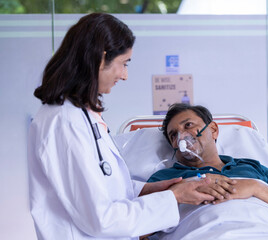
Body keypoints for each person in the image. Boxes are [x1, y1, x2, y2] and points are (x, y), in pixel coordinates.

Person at [27, 13, 219, 240]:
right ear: (100, 59)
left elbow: (101, 185)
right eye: (123, 64)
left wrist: (149, 189)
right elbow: (101, 220)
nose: (125, 75)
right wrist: (174, 197)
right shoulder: (64, 123)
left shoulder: (83, 116)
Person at [148, 103, 268, 231]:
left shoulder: (254, 168)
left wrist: (256, 187)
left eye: (188, 125)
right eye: (173, 135)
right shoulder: (165, 178)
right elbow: (137, 226)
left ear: (213, 129)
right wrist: (177, 194)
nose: (182, 136)